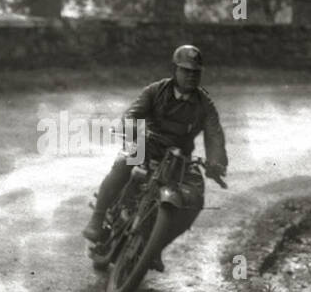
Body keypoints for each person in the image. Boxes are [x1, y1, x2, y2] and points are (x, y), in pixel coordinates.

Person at [82, 44, 228, 271]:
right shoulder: (156, 90)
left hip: (180, 158)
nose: (190, 76)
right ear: (175, 70)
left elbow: (214, 133)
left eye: (195, 72)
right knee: (125, 161)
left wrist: (216, 162)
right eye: (185, 70)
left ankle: (155, 246)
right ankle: (97, 219)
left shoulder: (204, 104)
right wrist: (131, 135)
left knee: (195, 198)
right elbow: (131, 115)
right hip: (149, 144)